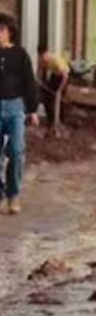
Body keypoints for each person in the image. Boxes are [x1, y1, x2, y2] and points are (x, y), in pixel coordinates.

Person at [0, 14, 39, 214]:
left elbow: (29, 82)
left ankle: (13, 195)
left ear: (9, 32)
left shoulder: (20, 54)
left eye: (1, 30)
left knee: (16, 150)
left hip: (16, 107)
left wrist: (32, 110)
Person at [37, 44, 69, 134]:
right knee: (47, 98)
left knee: (60, 99)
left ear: (47, 54)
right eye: (42, 58)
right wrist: (39, 79)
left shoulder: (56, 60)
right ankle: (50, 121)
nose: (44, 60)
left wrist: (60, 89)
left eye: (44, 58)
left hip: (63, 76)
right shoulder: (43, 60)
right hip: (55, 75)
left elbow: (65, 76)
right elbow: (40, 70)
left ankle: (61, 121)